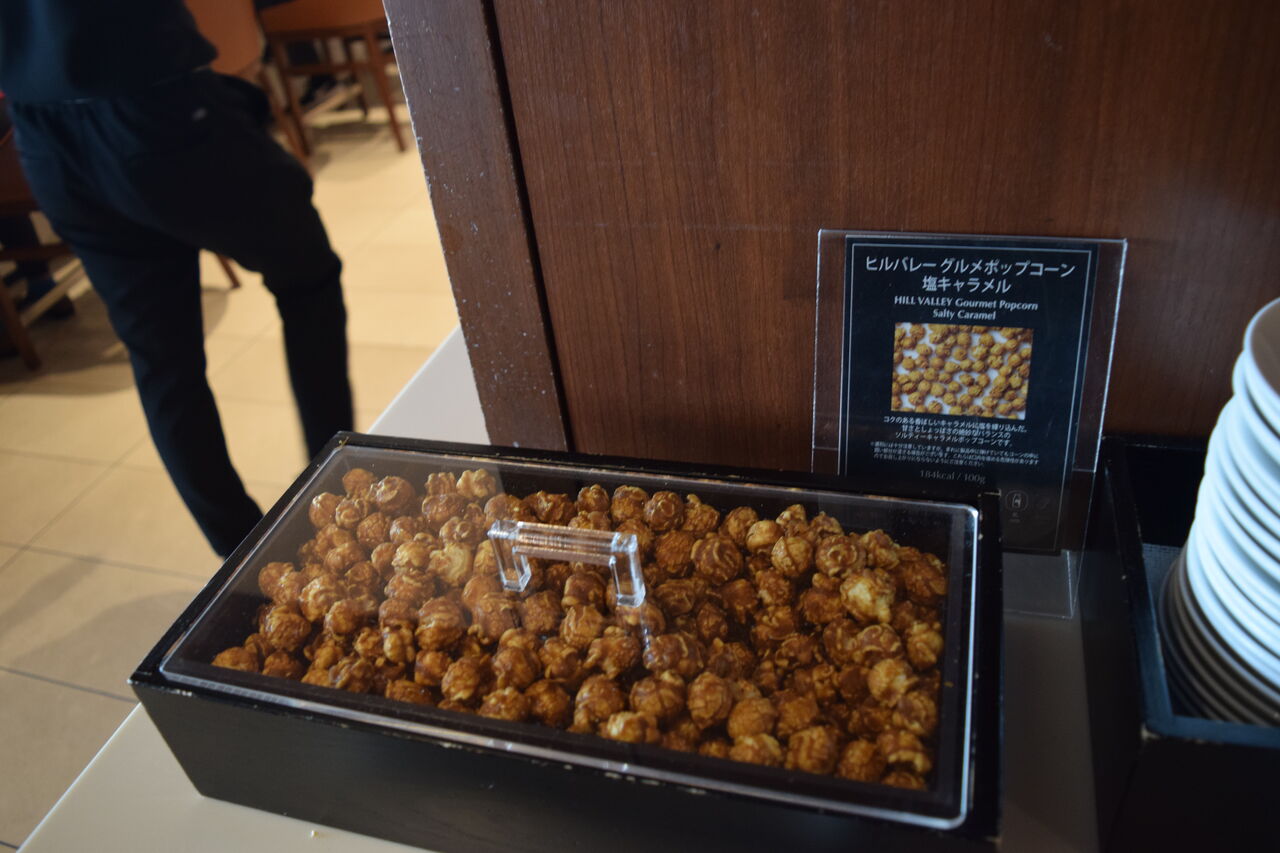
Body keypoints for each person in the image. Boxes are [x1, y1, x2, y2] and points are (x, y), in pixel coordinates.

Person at [0, 0, 354, 557]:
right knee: (309, 276)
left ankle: (246, 562)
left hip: (41, 132)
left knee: (162, 360)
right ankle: (339, 508)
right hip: (151, 98)